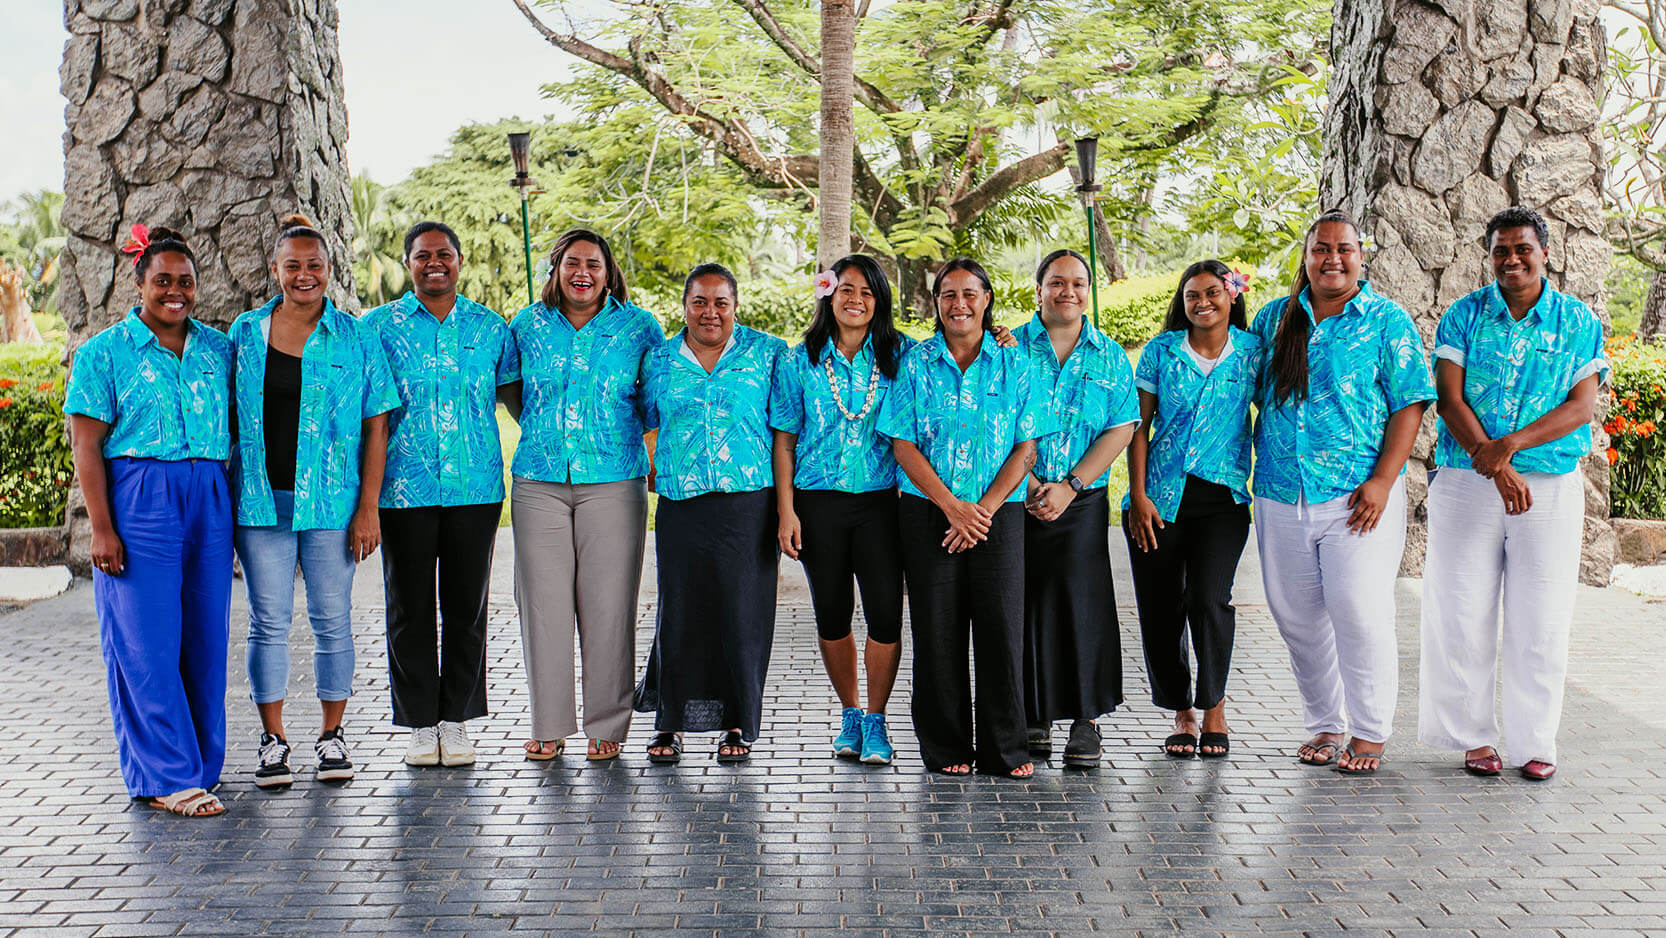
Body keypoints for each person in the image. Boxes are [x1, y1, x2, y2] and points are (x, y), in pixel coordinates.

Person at [1418, 206, 1607, 782]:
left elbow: (1581, 406)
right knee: (1460, 609)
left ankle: (1535, 741)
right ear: (1490, 255)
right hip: (1467, 480)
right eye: (1500, 249)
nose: (1511, 259)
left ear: (1544, 252)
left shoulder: (1577, 320)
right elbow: (1448, 399)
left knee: (1541, 615)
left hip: (1548, 484)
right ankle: (1472, 737)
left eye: (1522, 248)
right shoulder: (1464, 315)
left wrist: (1510, 447)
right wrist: (1495, 464)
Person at [1249, 209, 1435, 775]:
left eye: (1343, 249)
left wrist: (1382, 480)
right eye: (1321, 249)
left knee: (1359, 611)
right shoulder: (1274, 318)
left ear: (1360, 256)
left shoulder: (1385, 320)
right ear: (1306, 258)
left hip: (1358, 496)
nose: (1332, 259)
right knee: (1296, 616)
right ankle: (1325, 724)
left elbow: (1409, 402)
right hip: (1281, 490)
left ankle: (1371, 732)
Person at [65, 224, 234, 817]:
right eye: (163, 280)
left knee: (207, 640)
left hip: (209, 493)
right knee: (146, 641)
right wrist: (101, 527)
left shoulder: (218, 349)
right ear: (139, 283)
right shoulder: (104, 353)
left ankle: (201, 765)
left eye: (185, 281)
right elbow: (86, 446)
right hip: (140, 498)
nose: (175, 291)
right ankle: (165, 775)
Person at [228, 215, 400, 788]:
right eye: (293, 265)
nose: (304, 275)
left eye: (315, 265)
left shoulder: (356, 336)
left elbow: (377, 426)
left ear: (330, 269)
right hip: (262, 504)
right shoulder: (245, 334)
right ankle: (273, 741)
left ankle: (332, 736)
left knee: (332, 620)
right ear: (274, 269)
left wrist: (368, 508)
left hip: (332, 506)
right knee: (267, 622)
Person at [877, 257, 1054, 777]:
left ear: (987, 299)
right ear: (936, 303)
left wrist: (984, 511)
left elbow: (1027, 447)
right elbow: (902, 443)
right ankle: (946, 746)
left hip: (998, 515)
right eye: (948, 294)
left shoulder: (1015, 363)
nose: (959, 304)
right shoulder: (916, 362)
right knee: (937, 630)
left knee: (1002, 629)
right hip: (929, 512)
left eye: (969, 293)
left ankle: (1005, 748)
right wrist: (952, 508)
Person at [362, 221, 520, 768]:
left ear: (459, 260)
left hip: (475, 488)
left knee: (466, 607)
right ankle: (419, 724)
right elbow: (369, 414)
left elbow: (516, 398)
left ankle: (455, 720)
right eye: (423, 255)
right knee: (408, 608)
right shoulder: (377, 328)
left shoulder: (491, 328)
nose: (435, 263)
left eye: (444, 254)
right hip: (402, 489)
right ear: (408, 263)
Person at [503, 229, 660, 762]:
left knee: (609, 606)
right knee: (542, 607)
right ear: (557, 268)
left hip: (614, 480)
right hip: (539, 481)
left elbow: (653, 399)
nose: (583, 273)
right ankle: (548, 724)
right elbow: (513, 390)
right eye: (573, 263)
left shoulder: (638, 327)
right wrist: (547, 429)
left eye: (594, 263)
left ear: (608, 271)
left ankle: (607, 724)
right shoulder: (527, 325)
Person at [636, 263, 787, 764]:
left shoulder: (767, 353)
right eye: (699, 301)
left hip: (749, 505)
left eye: (721, 302)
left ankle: (738, 722)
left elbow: (786, 431)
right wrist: (657, 464)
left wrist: (788, 509)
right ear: (684, 306)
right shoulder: (659, 359)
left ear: (735, 306)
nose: (710, 312)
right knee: (680, 613)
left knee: (742, 615)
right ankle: (670, 721)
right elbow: (646, 421)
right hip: (681, 506)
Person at [770, 255, 914, 765]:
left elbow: (960, 345)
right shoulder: (799, 360)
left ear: (880, 301)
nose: (856, 300)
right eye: (846, 290)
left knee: (885, 616)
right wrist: (786, 512)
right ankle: (850, 713)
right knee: (831, 615)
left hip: (882, 505)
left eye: (867, 292)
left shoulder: (904, 355)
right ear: (829, 294)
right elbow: (785, 441)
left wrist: (1001, 334)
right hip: (818, 504)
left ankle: (877, 719)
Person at [1123, 259, 1261, 760]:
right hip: (1159, 500)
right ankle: (1182, 711)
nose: (1202, 302)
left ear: (1231, 296)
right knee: (1162, 608)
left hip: (1223, 499)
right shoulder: (1161, 351)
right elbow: (1138, 427)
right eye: (1191, 295)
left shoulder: (1253, 352)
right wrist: (1139, 496)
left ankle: (1214, 707)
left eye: (1212, 293)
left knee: (1208, 600)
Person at [1016, 249, 1139, 768]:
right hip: (1017, 496)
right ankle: (1034, 714)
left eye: (1078, 283)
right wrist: (1028, 482)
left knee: (1083, 606)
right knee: (1026, 605)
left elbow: (1122, 427)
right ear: (1038, 289)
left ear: (1089, 291)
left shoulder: (1109, 355)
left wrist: (1069, 485)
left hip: (1082, 499)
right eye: (1056, 282)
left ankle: (1086, 720)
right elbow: (993, 417)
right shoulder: (1009, 347)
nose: (1068, 291)